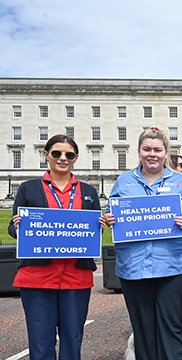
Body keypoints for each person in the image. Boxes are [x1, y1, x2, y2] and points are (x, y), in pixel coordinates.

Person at [8, 134, 106, 360]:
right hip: (37, 276)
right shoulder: (27, 188)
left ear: (76, 158)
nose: (63, 158)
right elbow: (14, 231)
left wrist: (98, 227)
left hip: (76, 276)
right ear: (46, 155)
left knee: (73, 339)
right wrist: (18, 226)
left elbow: (91, 233)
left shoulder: (89, 192)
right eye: (57, 153)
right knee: (40, 341)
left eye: (69, 154)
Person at [103, 127, 182, 359]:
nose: (152, 154)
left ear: (166, 153)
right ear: (139, 151)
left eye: (157, 149)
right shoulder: (123, 181)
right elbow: (109, 213)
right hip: (134, 267)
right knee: (143, 330)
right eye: (147, 149)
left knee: (174, 327)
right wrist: (108, 218)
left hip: (172, 266)